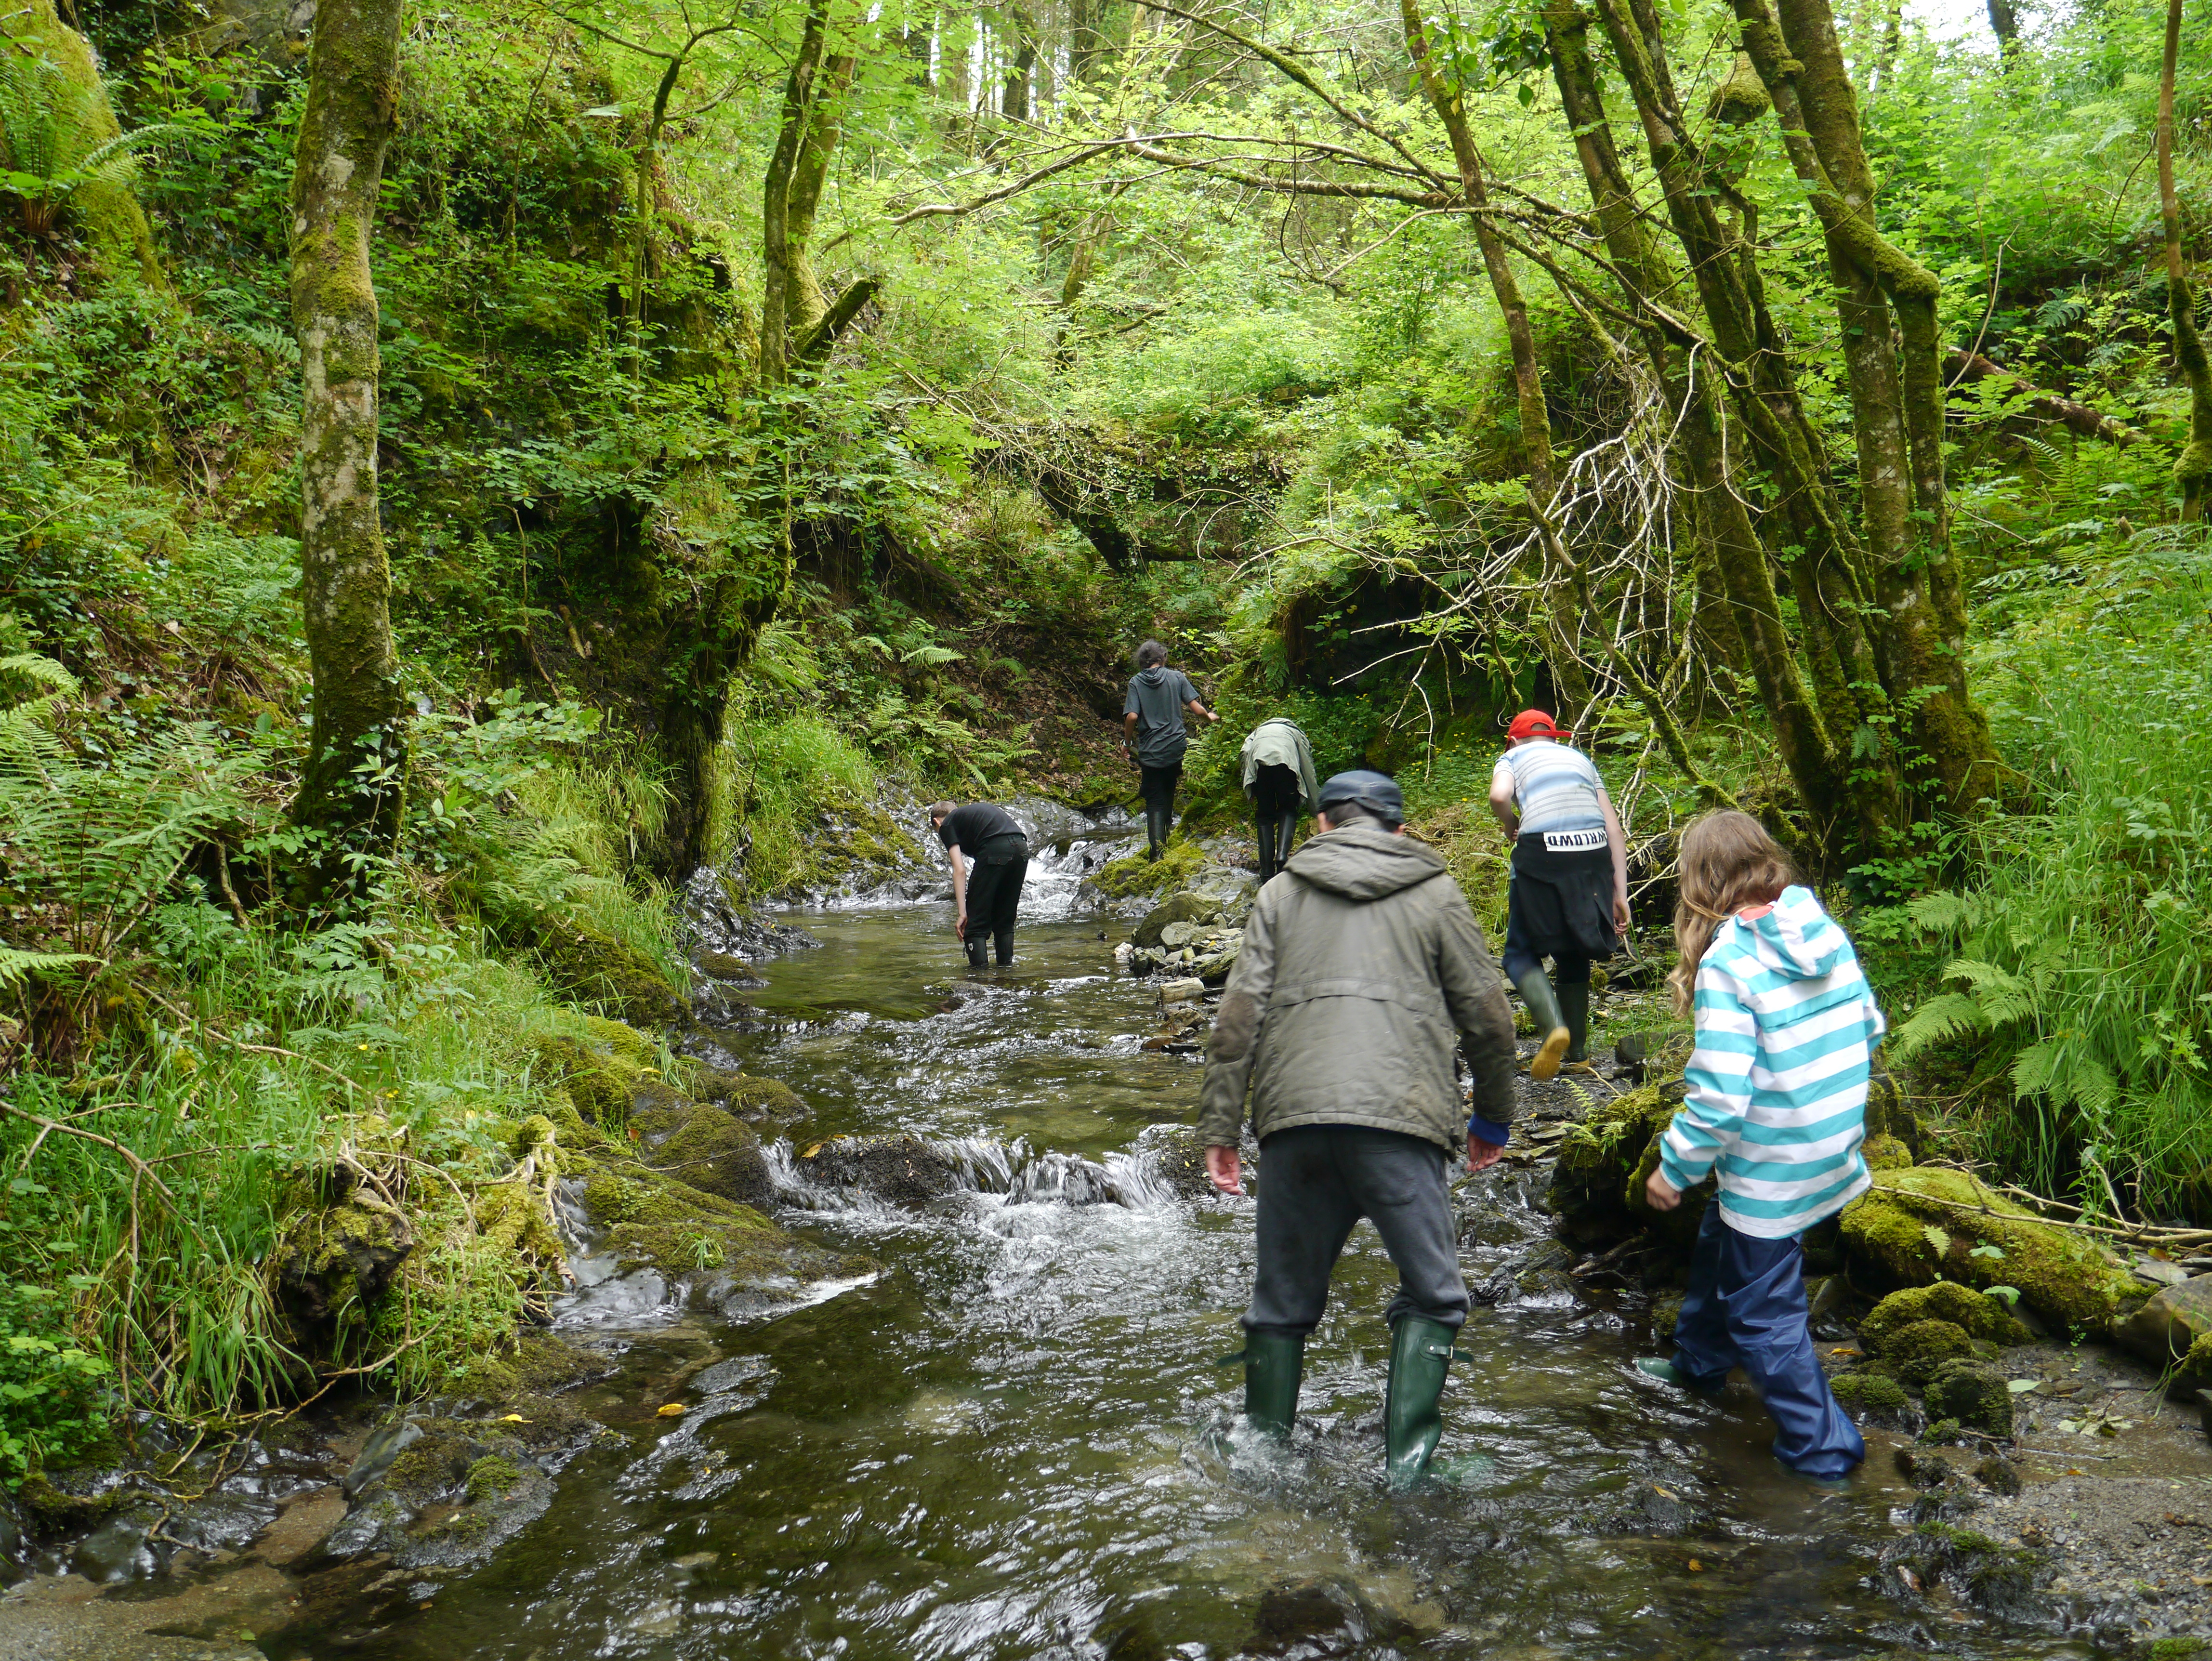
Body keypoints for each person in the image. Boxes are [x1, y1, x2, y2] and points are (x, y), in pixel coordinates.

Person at [1198, 770, 1520, 1489]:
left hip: (1294, 1122)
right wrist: (1493, 1116)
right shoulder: (1435, 891)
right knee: (1435, 1294)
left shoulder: (1280, 893)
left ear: (1321, 827)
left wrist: (1220, 1127)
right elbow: (1488, 1018)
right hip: (1400, 1118)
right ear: (1400, 831)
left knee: (1281, 1303)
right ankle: (1408, 1470)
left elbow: (1238, 1018)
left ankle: (1262, 1458)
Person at [1638, 810, 1880, 1485]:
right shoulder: (1819, 927)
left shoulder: (1731, 962)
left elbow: (1719, 1097)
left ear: (1701, 882)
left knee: (1763, 1311)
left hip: (1773, 1164)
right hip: (1830, 1143)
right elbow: (1869, 1023)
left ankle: (1823, 1447)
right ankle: (1699, 1362)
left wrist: (1674, 1168)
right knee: (1724, 1237)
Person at [1487, 709, 1630, 1081]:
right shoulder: (1581, 759)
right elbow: (1614, 829)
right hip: (1594, 853)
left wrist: (1510, 823)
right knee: (1574, 948)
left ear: (1515, 740)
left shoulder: (1513, 756)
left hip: (1543, 851)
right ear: (1555, 738)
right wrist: (1621, 893)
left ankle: (1554, 1030)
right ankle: (1579, 1055)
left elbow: (1499, 794)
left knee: (1519, 951)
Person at [1122, 640, 1219, 860]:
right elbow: (1196, 709)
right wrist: (1209, 717)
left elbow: (1132, 716)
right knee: (1168, 788)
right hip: (1176, 746)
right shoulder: (1177, 677)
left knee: (1155, 799)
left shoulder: (1136, 682)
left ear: (1142, 662)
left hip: (1151, 749)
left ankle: (1157, 854)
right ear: (1162, 658)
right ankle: (1164, 839)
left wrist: (1127, 743)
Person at [927, 800, 1030, 968]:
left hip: (995, 850)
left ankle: (979, 978)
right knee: (1004, 918)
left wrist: (963, 913)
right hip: (1021, 849)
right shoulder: (971, 816)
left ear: (936, 822)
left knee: (975, 924)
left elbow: (959, 870)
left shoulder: (947, 825)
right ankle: (1006, 973)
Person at [1238, 715, 1319, 884]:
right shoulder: (1295, 733)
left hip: (1261, 766)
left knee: (1265, 816)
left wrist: (1249, 787)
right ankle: (1282, 858)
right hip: (1286, 767)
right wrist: (1316, 807)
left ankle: (1266, 873)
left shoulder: (1257, 733)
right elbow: (1307, 766)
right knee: (1288, 810)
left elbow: (1245, 753)